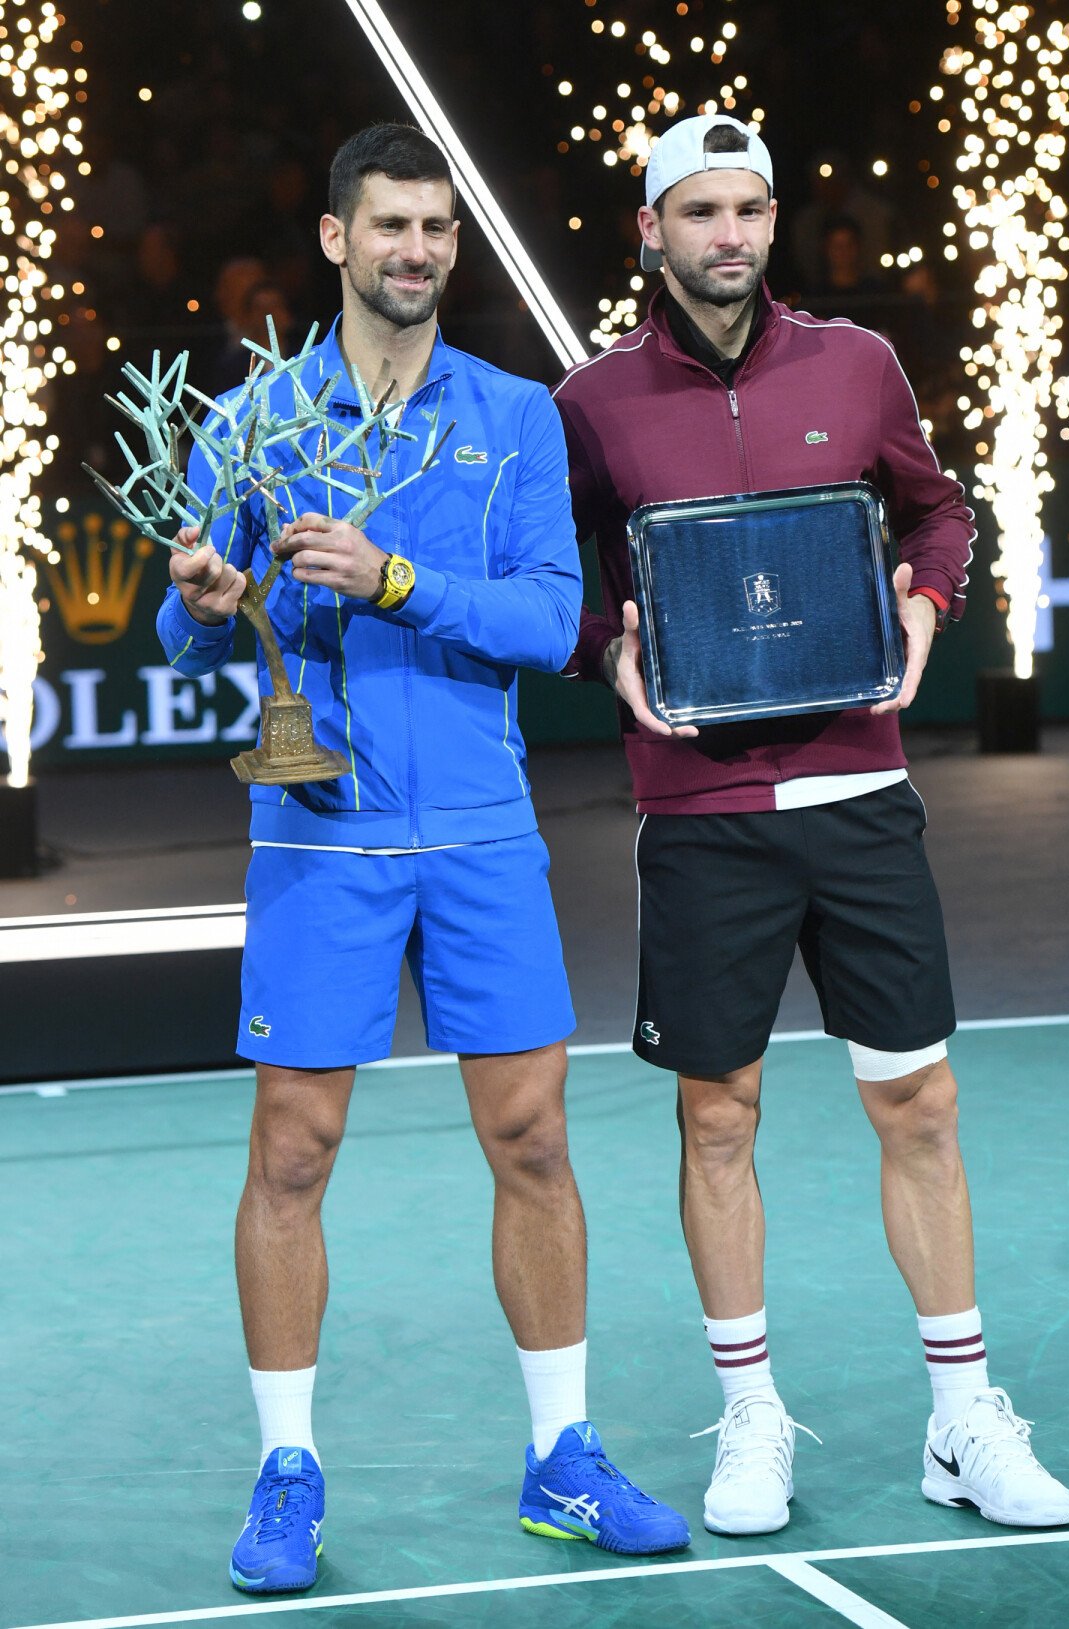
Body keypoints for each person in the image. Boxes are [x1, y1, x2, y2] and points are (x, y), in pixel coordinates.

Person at [156, 122, 689, 1595]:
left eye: (437, 229)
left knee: (533, 1140)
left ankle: (563, 1455)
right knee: (293, 1152)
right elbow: (181, 628)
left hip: (480, 832)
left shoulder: (516, 415)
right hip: (315, 834)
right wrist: (208, 597)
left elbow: (545, 621)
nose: (417, 250)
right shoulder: (256, 420)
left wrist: (399, 578)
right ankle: (286, 1470)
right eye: (389, 225)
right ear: (335, 239)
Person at [552, 114, 1069, 1538]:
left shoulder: (859, 365)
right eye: (701, 213)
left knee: (918, 1099)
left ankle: (963, 1417)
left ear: (773, 222)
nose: (729, 236)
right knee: (716, 1115)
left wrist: (920, 606)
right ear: (651, 233)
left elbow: (937, 512)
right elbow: (570, 581)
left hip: (859, 791)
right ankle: (749, 1415)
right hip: (701, 813)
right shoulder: (589, 402)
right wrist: (612, 655)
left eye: (751, 210)